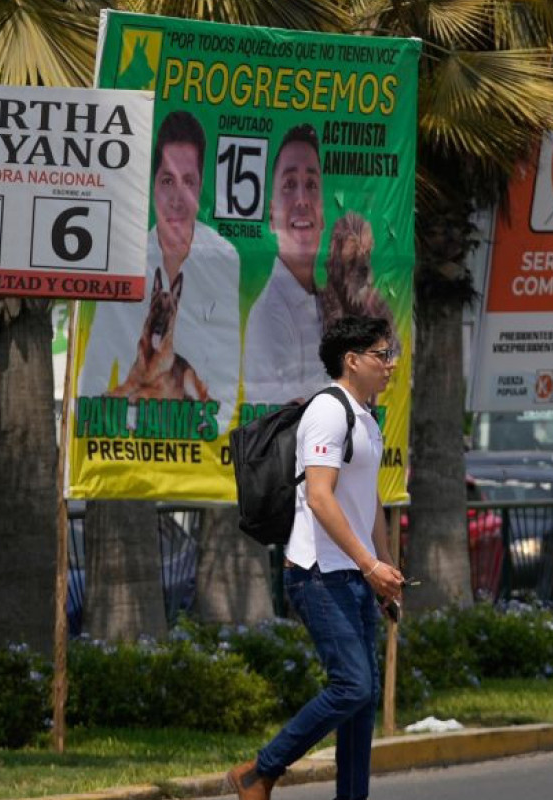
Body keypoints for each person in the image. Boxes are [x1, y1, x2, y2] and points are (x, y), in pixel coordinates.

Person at [227, 315, 403, 800]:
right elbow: (322, 499)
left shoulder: (366, 416)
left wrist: (383, 570)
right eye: (382, 355)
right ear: (352, 360)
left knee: (360, 702)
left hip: (353, 574)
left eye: (392, 355)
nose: (391, 365)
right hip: (318, 573)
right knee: (352, 686)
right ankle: (260, 771)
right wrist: (369, 566)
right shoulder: (328, 411)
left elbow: (369, 502)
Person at [77, 110, 239, 425]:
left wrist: (200, 435)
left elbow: (228, 378)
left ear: (201, 186)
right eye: (167, 180)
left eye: (188, 182)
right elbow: (93, 372)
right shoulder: (122, 257)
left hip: (198, 447)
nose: (177, 198)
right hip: (127, 444)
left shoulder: (224, 259)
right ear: (152, 185)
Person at [244, 123, 331, 404]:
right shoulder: (267, 315)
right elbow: (279, 419)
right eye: (290, 185)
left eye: (312, 185)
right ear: (271, 216)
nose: (303, 200)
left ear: (323, 215)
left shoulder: (328, 306)